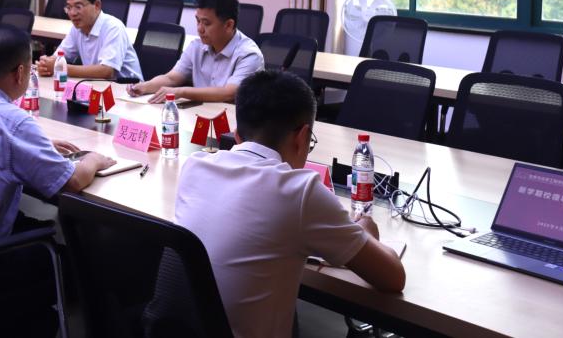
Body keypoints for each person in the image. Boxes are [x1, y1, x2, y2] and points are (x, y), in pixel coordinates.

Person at [174, 70, 406, 336]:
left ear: (237, 135)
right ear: (302, 137)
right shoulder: (299, 191)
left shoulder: (195, 166)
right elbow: (393, 277)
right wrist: (365, 229)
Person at [0, 24, 115, 336]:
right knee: (81, 264)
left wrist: (37, 146)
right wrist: (94, 159)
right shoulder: (12, 121)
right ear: (20, 73)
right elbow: (72, 182)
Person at [128, 0, 262, 103]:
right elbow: (171, 78)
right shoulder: (196, 46)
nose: (199, 29)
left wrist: (182, 92)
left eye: (206, 23)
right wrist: (144, 86)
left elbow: (228, 93)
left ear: (228, 25)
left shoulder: (249, 55)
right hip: (199, 115)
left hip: (233, 121)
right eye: (198, 21)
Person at [35, 0, 141, 81]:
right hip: (98, 86)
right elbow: (59, 57)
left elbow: (107, 71)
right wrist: (46, 65)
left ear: (97, 5)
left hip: (128, 89)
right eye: (69, 7)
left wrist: (60, 67)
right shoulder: (77, 29)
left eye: (78, 7)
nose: (72, 13)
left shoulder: (113, 27)